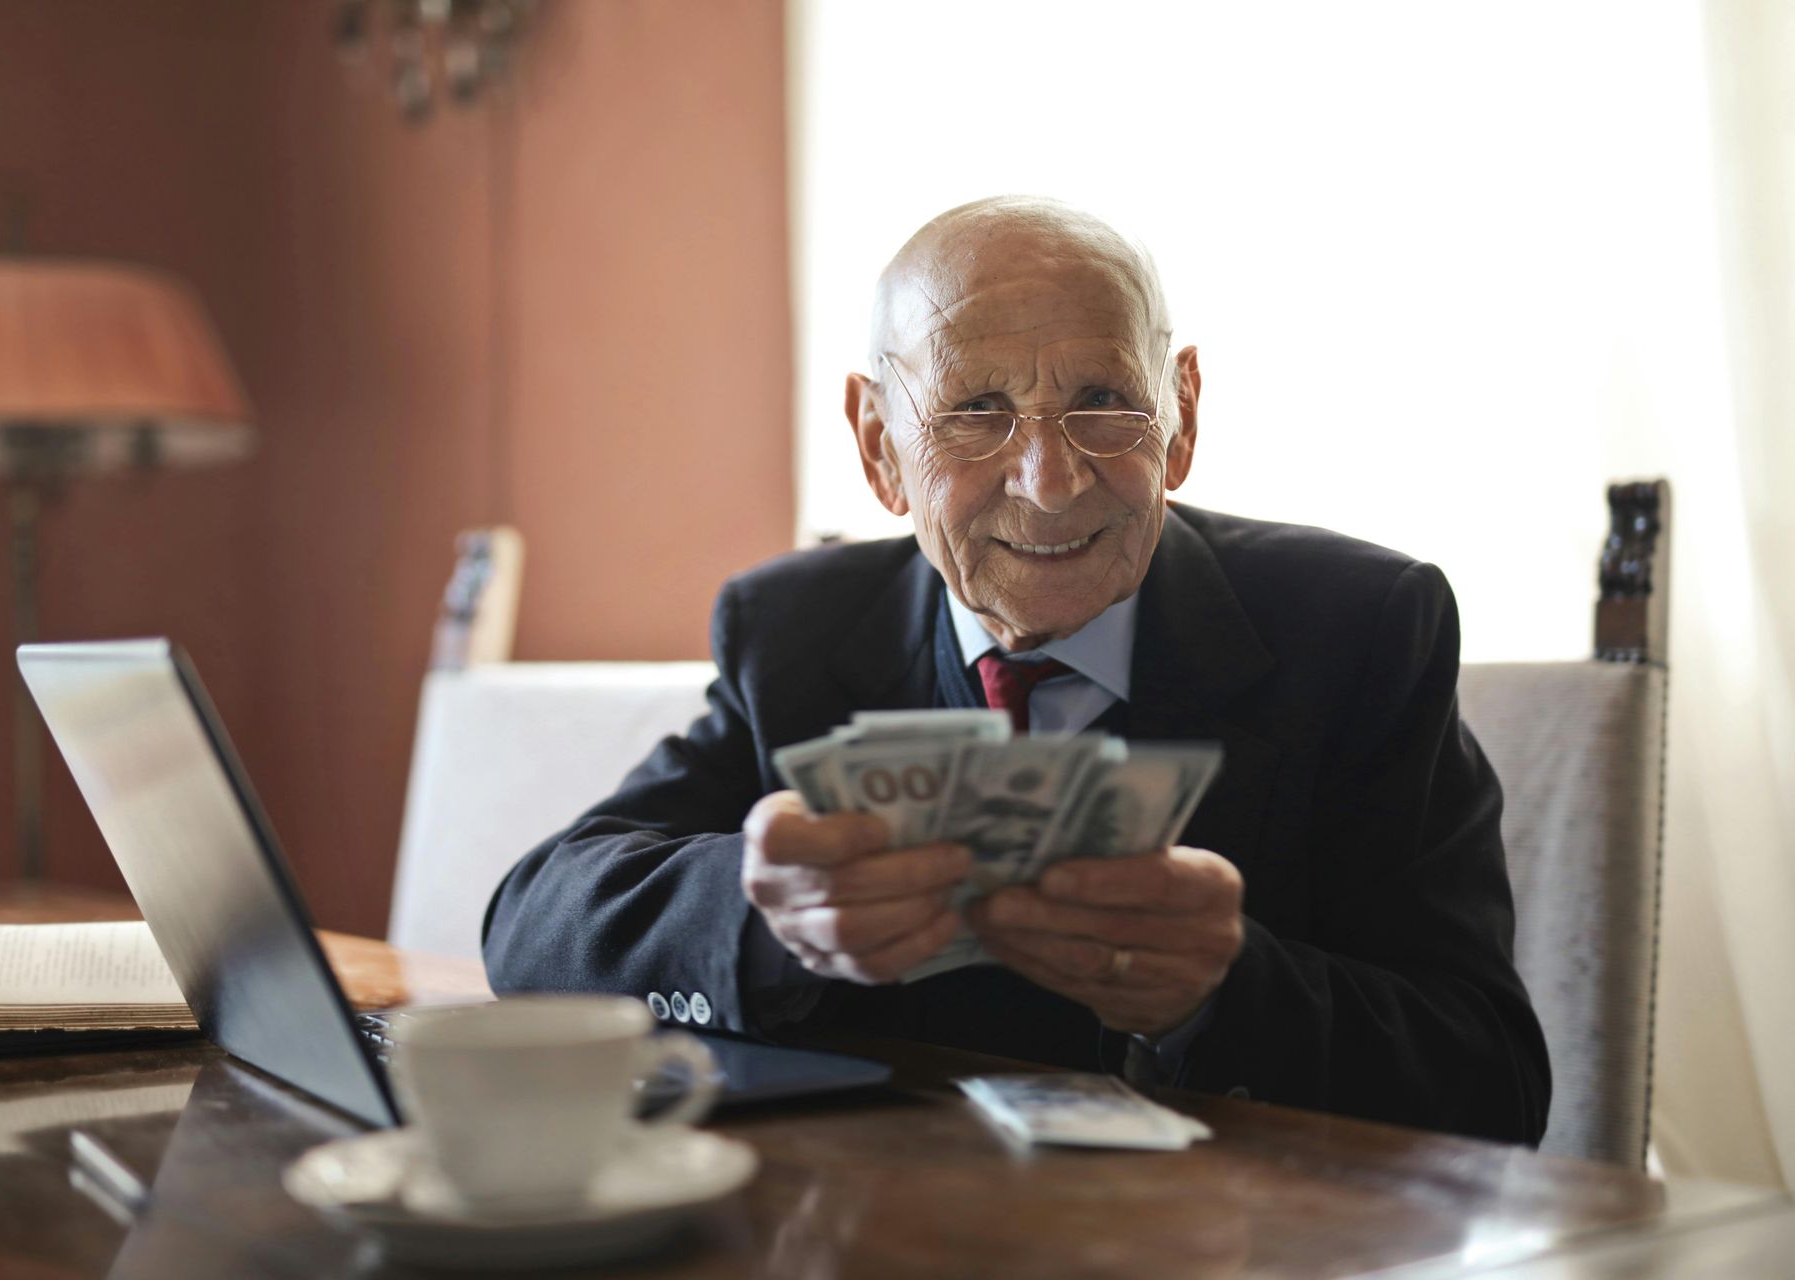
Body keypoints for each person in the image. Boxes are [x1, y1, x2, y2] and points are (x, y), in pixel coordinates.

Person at [483, 197, 1551, 1145]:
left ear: (1180, 417)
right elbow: (533, 925)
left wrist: (1224, 990)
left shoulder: (1359, 627)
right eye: (977, 411)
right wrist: (766, 917)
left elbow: (1493, 1082)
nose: (1048, 482)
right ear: (878, 445)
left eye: (1102, 399)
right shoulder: (799, 631)